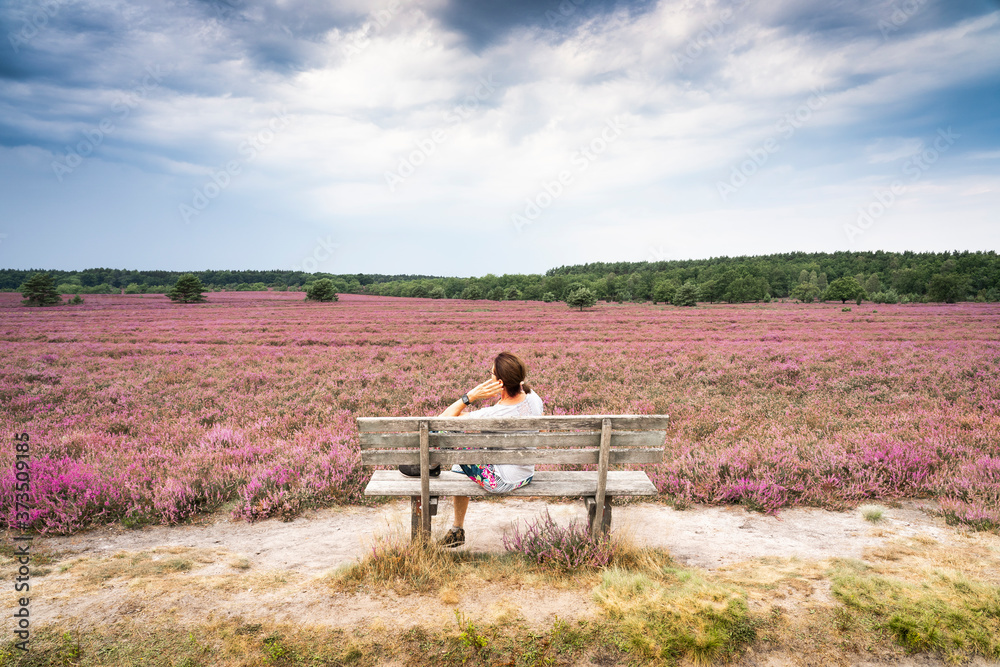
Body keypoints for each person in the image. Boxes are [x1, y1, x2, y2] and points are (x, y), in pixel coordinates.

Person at [435, 351, 543, 547]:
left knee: (450, 438)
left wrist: (470, 397)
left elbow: (442, 419)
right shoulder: (534, 397)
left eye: (491, 374)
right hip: (525, 474)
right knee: (460, 469)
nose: (488, 377)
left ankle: (429, 467)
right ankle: (456, 531)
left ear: (500, 382)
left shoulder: (494, 413)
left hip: (500, 481)